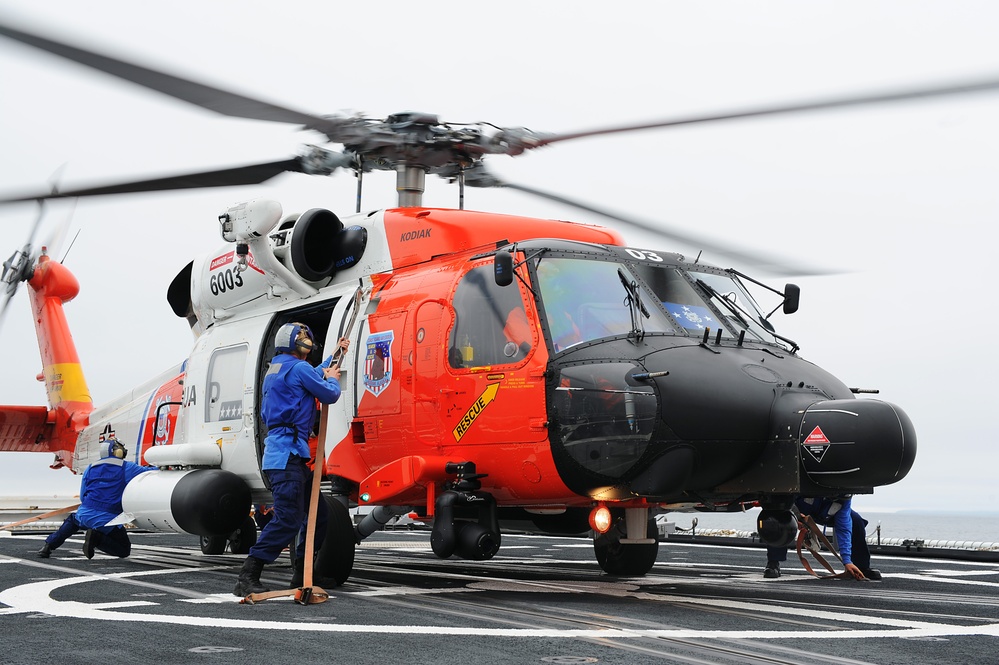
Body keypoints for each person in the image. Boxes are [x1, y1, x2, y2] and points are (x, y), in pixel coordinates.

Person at [233, 322, 349, 597]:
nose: (308, 342)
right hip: (287, 457)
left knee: (317, 514)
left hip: (286, 456)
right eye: (305, 338)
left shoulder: (278, 368)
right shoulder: (299, 368)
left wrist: (334, 357)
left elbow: (309, 377)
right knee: (289, 519)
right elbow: (329, 393)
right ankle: (249, 573)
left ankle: (303, 570)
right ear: (298, 344)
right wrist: (332, 377)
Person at [37, 437, 153, 559]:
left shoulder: (90, 468)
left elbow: (83, 496)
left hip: (85, 514)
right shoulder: (127, 467)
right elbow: (149, 472)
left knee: (73, 520)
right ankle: (96, 538)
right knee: (124, 550)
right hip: (107, 520)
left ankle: (47, 547)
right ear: (116, 451)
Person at [763, 495, 881, 581]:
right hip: (798, 507)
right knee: (779, 516)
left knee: (856, 522)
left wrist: (847, 561)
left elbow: (844, 527)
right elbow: (783, 497)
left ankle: (860, 567)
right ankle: (773, 563)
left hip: (825, 512)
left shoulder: (844, 498)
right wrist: (795, 515)